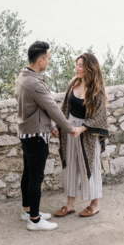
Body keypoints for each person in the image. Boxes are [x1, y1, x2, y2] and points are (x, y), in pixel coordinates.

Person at [15, 40, 82, 231]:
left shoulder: (23, 77)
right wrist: (69, 128)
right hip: (36, 136)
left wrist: (50, 126)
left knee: (28, 174)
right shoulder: (35, 83)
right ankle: (34, 220)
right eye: (49, 59)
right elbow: (52, 108)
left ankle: (27, 211)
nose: (49, 62)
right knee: (36, 177)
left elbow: (35, 109)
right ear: (40, 60)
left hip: (27, 133)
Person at [52, 52, 109, 218]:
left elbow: (99, 116)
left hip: (88, 133)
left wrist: (82, 129)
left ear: (89, 68)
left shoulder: (96, 89)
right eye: (76, 64)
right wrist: (59, 126)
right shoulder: (73, 83)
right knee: (69, 165)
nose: (76, 68)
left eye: (80, 66)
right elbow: (65, 107)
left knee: (89, 166)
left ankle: (95, 204)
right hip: (70, 129)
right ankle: (70, 204)